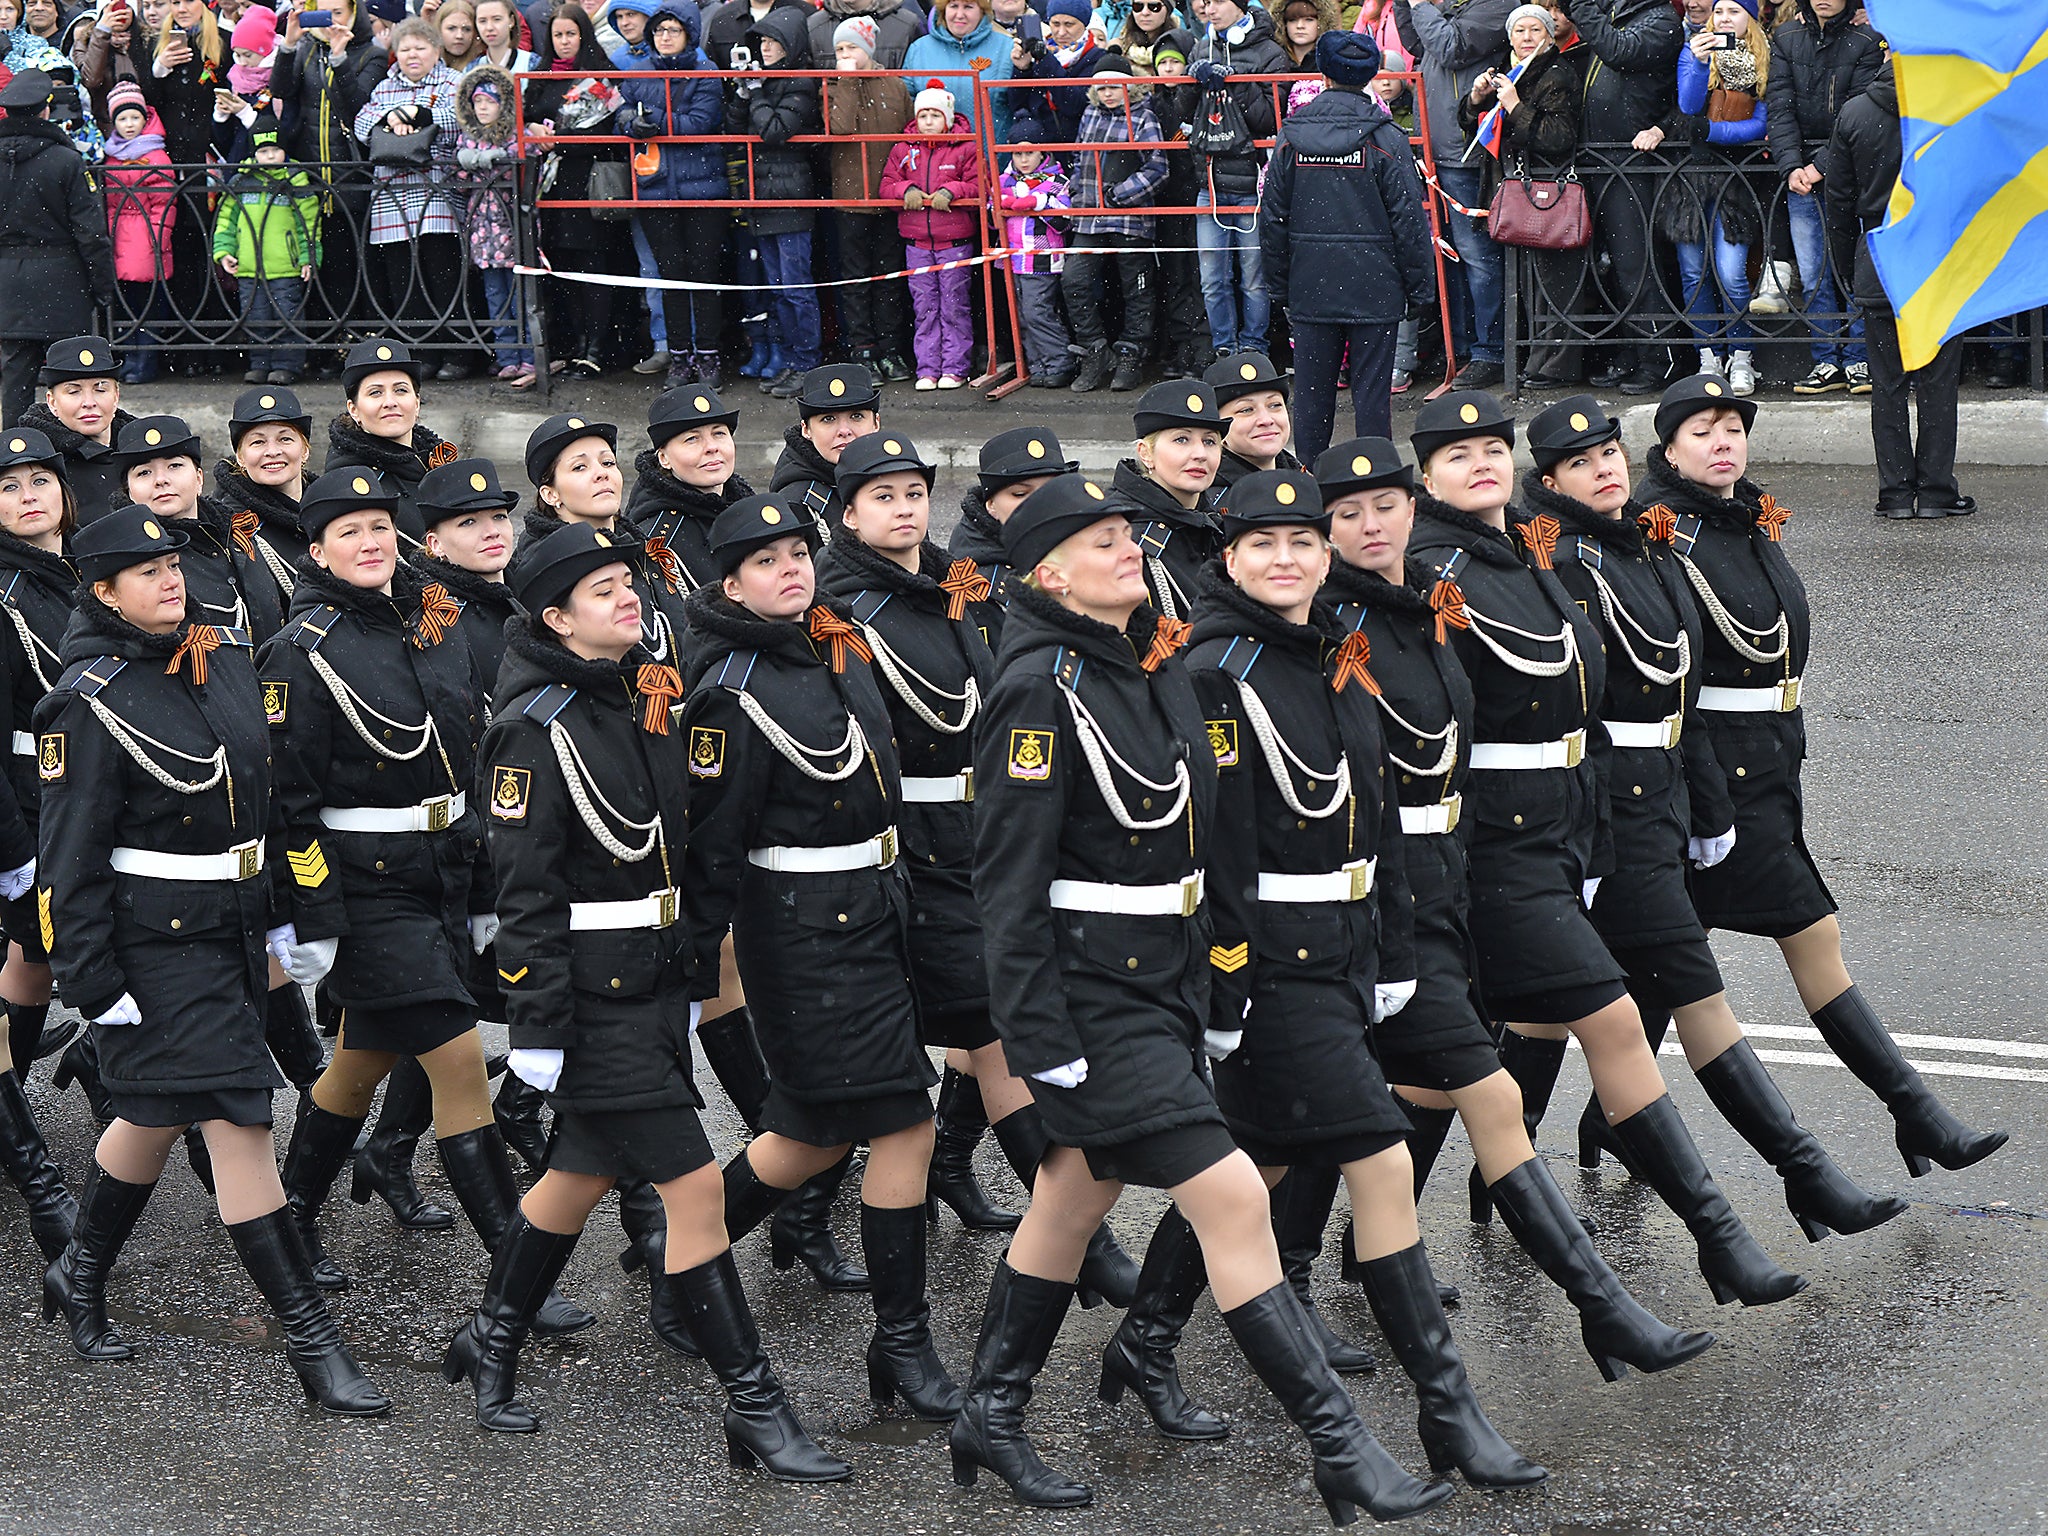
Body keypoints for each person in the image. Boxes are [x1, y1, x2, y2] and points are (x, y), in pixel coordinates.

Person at [954, 472, 1451, 1522]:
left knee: (1068, 1200)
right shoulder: (1036, 686)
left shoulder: (1144, 663)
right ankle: (1339, 1446)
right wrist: (1036, 1037)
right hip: (1091, 993)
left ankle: (989, 1413)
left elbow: (1206, 842)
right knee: (1230, 1194)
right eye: (1098, 542)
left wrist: (1219, 985)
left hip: (1167, 984)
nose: (1126, 548)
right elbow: (1004, 884)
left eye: (1125, 534)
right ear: (1046, 571)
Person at [1133, 467, 1543, 1489]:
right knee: (1381, 1155)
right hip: (1267, 965)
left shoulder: (1331, 656)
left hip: (1339, 948)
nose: (1285, 559)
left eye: (1300, 543)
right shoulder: (1213, 671)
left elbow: (1377, 819)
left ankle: (1141, 1342)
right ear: (1225, 560)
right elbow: (1209, 853)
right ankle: (1442, 1413)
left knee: (1262, 1160)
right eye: (1260, 545)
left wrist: (1391, 958)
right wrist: (1223, 990)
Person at [1312, 434, 1719, 1382]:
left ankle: (1222, 1314)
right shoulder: (1309, 634)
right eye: (1346, 515)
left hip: (1443, 882)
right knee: (1287, 1141)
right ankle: (1609, 1302)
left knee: (1386, 1117)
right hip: (1360, 910)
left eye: (1387, 507)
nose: (1373, 524)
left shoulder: (1417, 608)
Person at [445, 521, 848, 1477]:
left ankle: (491, 1338)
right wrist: (535, 1027)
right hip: (592, 996)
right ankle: (756, 1405)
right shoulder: (531, 726)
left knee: (575, 1176)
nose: (629, 597)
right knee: (696, 1186)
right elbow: (526, 892)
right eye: (602, 592)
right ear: (555, 618)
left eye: (628, 581)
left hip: (651, 979)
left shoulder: (634, 697)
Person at [1406, 389, 1804, 1310]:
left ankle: (1342, 1251)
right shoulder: (1438, 571)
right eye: (1455, 455)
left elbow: (1584, 703)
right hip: (1488, 848)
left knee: (1434, 1074)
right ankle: (1712, 1242)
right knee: (1601, 1025)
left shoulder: (1527, 552)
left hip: (1560, 833)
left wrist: (1590, 834)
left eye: (1489, 449)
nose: (1480, 465)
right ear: (1425, 477)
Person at [1520, 394, 1906, 1243]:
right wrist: (1582, 827)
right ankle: (1794, 1184)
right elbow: (1566, 708)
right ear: (1548, 480)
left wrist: (1707, 800)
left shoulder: (1640, 546)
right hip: (1598, 816)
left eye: (1609, 454)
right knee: (1667, 998)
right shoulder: (1562, 561)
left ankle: (1505, 1178)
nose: (1605, 469)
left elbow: (1679, 692)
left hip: (1660, 801)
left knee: (1559, 1011)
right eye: (1581, 463)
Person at [35, 504, 388, 1416]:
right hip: (152, 942)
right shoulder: (87, 700)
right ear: (103, 593)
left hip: (233, 927)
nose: (168, 580)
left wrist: (286, 913)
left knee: (151, 1117)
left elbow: (271, 799)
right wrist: (90, 981)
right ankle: (314, 1346)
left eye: (174, 566)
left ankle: (78, 1271)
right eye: (144, 574)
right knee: (242, 1121)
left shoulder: (224, 658)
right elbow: (68, 858)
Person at [1636, 375, 2008, 1180]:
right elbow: (1676, 681)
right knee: (1809, 935)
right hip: (1714, 775)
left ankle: (1604, 1123)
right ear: (1667, 449)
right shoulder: (1663, 533)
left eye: (1733, 425)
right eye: (1702, 429)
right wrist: (1706, 799)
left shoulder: (1744, 517)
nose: (1723, 440)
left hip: (1769, 763)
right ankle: (1917, 1112)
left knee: (1661, 971)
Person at [262, 468, 592, 1342]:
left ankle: (291, 1219)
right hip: (362, 883)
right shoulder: (302, 648)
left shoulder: (432, 623)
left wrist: (483, 887)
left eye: (380, 525)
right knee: (454, 1055)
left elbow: (467, 763)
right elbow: (287, 800)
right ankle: (514, 1271)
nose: (370, 543)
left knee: (360, 1060)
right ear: (317, 548)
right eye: (350, 531)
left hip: (440, 868)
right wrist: (316, 915)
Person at [680, 492, 960, 1420]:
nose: (790, 569)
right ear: (728, 583)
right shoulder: (728, 686)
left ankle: (687, 1258)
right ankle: (903, 1341)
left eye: (797, 552)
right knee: (900, 1124)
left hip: (876, 909)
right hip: (799, 928)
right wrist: (693, 964)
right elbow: (713, 842)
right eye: (764, 562)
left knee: (809, 1135)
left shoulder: (830, 644)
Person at [1259, 32, 1433, 459]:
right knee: (1372, 397)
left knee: (1313, 394)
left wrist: (1280, 285)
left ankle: (1307, 486)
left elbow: (1272, 218)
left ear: (1323, 74)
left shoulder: (1292, 136)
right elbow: (1410, 220)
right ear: (1371, 75)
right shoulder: (1386, 137)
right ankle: (1376, 482)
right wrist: (1420, 288)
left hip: (1311, 282)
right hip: (1375, 284)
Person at [1825, 58, 1970, 520]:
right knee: (1937, 383)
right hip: (1937, 257)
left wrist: (1851, 262)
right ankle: (1934, 492)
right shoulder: (1948, 110)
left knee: (1887, 385)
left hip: (1880, 254)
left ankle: (1895, 493)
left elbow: (1840, 201)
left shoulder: (1854, 113)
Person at [0, 429, 78, 1264]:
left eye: (39, 480)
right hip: (28, 807)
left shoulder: (81, 573)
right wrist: (14, 852)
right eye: (9, 485)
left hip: (71, 800)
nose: (28, 496)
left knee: (35, 957)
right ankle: (38, 1183)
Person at [1456, 5, 1584, 388]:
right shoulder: (1507, 70)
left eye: (1535, 30)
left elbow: (1558, 138)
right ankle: (1532, 357)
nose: (1527, 37)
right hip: (1513, 187)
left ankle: (1555, 365)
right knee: (1526, 279)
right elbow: (1469, 123)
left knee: (1553, 279)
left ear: (1548, 35)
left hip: (1548, 188)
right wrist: (1477, 99)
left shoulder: (1558, 73)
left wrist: (1514, 106)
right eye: (1520, 31)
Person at [1389, 0, 1514, 388]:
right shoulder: (1452, 9)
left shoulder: (1497, 6)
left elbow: (1450, 46)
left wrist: (1420, 3)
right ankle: (1458, 347)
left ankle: (1490, 351)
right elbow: (1416, 41)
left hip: (1468, 154)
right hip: (1437, 152)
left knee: (1479, 258)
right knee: (1451, 259)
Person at [1560, 0, 1680, 395]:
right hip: (1601, 155)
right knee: (1612, 268)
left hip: (1631, 159)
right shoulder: (1617, 15)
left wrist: (1582, 7)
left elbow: (1619, 52)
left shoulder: (1661, 19)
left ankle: (1658, 358)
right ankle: (1631, 350)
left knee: (1636, 263)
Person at [1765, 0, 1877, 398]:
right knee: (1814, 272)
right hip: (1802, 174)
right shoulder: (1787, 36)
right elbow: (1779, 107)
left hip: (1855, 170)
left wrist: (1822, 165)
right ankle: (1826, 359)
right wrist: (1792, 165)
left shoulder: (1865, 38)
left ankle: (1861, 357)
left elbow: (1861, 111)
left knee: (1855, 267)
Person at [521, 413, 690, 666]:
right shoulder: (543, 569)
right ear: (550, 494)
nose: (601, 474)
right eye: (580, 467)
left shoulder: (642, 545)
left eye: (608, 463)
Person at [619, 1, 728, 391]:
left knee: (704, 275)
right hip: (655, 186)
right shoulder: (637, 71)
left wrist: (654, 122)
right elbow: (622, 114)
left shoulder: (706, 72)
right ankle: (680, 357)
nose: (664, 37)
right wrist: (633, 122)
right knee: (671, 276)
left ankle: (710, 355)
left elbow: (700, 123)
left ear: (688, 35)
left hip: (703, 187)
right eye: (659, 30)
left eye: (673, 30)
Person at [1662, 0, 1768, 396]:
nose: (1723, 18)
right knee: (1693, 272)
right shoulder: (1693, 50)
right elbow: (1689, 105)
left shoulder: (1763, 58)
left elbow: (1760, 123)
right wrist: (1698, 61)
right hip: (1691, 177)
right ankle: (1709, 354)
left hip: (1738, 179)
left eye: (1733, 12)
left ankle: (1741, 354)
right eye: (1718, 12)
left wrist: (1712, 132)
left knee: (1731, 272)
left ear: (1750, 20)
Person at [0, 68, 115, 428]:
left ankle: (15, 460)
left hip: (9, 284)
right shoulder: (65, 160)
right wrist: (103, 288)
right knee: (72, 380)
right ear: (46, 110)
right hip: (62, 284)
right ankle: (74, 459)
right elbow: (90, 233)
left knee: (16, 381)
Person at [1179, 0, 1289, 361]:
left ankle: (1255, 348)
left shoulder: (1269, 51)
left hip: (1252, 181)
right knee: (1213, 281)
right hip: (1208, 182)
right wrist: (1193, 81)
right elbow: (1182, 111)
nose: (1209, 9)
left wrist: (1235, 83)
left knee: (1255, 279)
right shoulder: (1200, 46)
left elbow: (1271, 120)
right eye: (1205, 2)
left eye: (1218, 1)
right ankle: (1224, 348)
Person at [524, 5, 630, 376]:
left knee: (592, 267)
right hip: (550, 187)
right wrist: (535, 130)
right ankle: (572, 345)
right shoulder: (540, 74)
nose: (564, 42)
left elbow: (604, 135)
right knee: (561, 267)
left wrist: (560, 141)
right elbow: (526, 115)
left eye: (571, 34)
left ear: (584, 34)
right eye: (557, 35)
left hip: (589, 184)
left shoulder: (602, 75)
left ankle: (596, 349)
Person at [114, 413, 284, 642]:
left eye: (174, 466)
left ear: (199, 478)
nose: (161, 480)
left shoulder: (239, 535)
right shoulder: (124, 561)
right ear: (129, 491)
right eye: (144, 472)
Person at [354, 17, 464, 362]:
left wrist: (420, 113)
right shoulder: (385, 85)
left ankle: (456, 353)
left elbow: (464, 117)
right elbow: (360, 124)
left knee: (442, 275)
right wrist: (389, 117)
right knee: (404, 281)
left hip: (437, 192)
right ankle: (420, 355)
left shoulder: (453, 81)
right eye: (404, 49)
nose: (412, 55)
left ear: (436, 50)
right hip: (391, 195)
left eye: (420, 47)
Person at [730, 10, 823, 400]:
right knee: (777, 287)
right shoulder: (765, 83)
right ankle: (789, 360)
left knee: (797, 288)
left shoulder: (800, 81)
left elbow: (774, 131)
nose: (764, 49)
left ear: (791, 45)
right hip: (761, 196)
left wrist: (756, 92)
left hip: (790, 196)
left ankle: (808, 362)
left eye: (772, 42)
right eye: (761, 43)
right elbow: (734, 126)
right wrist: (741, 91)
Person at [1060, 62, 1169, 394]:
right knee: (1073, 280)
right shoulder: (1090, 114)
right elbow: (1079, 160)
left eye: (1114, 86)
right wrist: (1078, 193)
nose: (1107, 93)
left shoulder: (1144, 117)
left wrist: (1122, 193)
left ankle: (1131, 355)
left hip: (1128, 215)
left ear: (1129, 88)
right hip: (1089, 215)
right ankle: (1094, 350)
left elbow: (1158, 165)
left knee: (1136, 288)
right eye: (1102, 87)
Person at [825, 17, 914, 386]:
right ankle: (861, 349)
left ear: (869, 50)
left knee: (890, 278)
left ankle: (891, 348)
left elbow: (909, 135)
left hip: (889, 195)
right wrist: (846, 81)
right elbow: (841, 127)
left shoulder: (894, 85)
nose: (845, 55)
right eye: (839, 49)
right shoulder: (832, 85)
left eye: (852, 48)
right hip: (850, 198)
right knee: (855, 279)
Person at [879, 81, 981, 392]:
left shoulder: (966, 147)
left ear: (948, 118)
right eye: (922, 115)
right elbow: (886, 186)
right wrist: (904, 190)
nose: (927, 122)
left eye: (935, 115)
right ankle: (927, 368)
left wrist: (953, 190)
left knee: (954, 306)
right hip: (917, 244)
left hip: (955, 244)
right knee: (924, 308)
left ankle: (955, 367)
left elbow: (979, 186)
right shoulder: (903, 149)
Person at [949, 425, 1079, 656]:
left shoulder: (1084, 550)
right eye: (1020, 494)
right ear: (991, 506)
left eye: (1051, 489)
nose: (1039, 503)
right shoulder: (975, 588)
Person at [1102, 379, 1225, 621]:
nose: (1200, 454)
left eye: (1209, 441)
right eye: (1181, 439)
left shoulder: (1215, 523)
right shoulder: (1129, 539)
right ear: (1145, 453)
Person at [211, 119, 321, 387]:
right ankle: (259, 363)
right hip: (249, 266)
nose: (269, 156)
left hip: (286, 264)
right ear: (253, 153)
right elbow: (225, 219)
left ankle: (287, 365)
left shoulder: (295, 179)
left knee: (287, 316)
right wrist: (224, 251)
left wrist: (309, 256)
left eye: (274, 150)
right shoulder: (242, 181)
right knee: (255, 317)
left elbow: (309, 223)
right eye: (262, 151)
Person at [324, 337, 462, 547]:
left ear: (416, 404)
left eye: (400, 390)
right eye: (375, 393)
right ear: (354, 409)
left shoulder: (439, 462)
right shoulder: (349, 483)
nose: (390, 402)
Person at [626, 385, 754, 590]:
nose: (712, 447)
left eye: (719, 433)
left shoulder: (743, 501)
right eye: (692, 439)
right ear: (663, 458)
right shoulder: (659, 540)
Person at [98, 79, 177, 386]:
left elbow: (164, 203)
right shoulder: (112, 154)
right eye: (122, 118)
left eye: (134, 117)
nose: (129, 124)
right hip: (119, 237)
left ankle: (144, 364)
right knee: (127, 306)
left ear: (145, 118)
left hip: (146, 238)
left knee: (147, 307)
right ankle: (128, 361)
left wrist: (158, 238)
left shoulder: (155, 155)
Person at [212, 384, 314, 615]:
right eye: (258, 442)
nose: (272, 451)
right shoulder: (230, 526)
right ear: (240, 456)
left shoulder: (333, 509)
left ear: (305, 450)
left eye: (285, 439)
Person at [997, 120, 1075, 389]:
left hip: (1042, 257)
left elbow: (1065, 219)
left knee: (1038, 312)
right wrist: (1001, 204)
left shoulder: (1057, 181)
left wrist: (1036, 202)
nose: (1023, 159)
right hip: (1012, 257)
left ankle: (1060, 361)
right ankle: (1038, 365)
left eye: (1029, 152)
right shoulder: (1004, 180)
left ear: (1042, 152)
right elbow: (989, 216)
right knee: (1022, 314)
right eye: (1018, 154)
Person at [20, 335, 132, 521]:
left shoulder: (139, 451)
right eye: (74, 391)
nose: (89, 403)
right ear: (52, 402)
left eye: (100, 389)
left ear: (116, 396)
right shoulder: (37, 460)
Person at [770, 362, 884, 532]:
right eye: (828, 419)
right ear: (806, 429)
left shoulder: (895, 479)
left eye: (856, 416)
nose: (844, 431)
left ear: (876, 423)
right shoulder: (795, 505)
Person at [902, 0, 1016, 139]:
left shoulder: (1006, 47)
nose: (960, 15)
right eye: (954, 6)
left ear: (982, 11)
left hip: (991, 155)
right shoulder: (919, 49)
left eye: (968, 7)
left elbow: (1019, 102)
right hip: (936, 155)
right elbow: (907, 105)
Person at [1008, 0, 1103, 148]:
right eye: (1055, 24)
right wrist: (1022, 70)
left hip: (1076, 145)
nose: (1061, 32)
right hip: (1039, 149)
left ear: (1084, 24)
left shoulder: (1097, 57)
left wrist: (1046, 60)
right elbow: (1017, 105)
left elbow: (1074, 105)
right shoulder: (1039, 50)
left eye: (1069, 24)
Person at [1205, 351, 1300, 487]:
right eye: (1246, 410)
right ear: (1217, 427)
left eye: (1274, 405)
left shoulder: (1304, 479)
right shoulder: (1207, 501)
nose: (1266, 420)